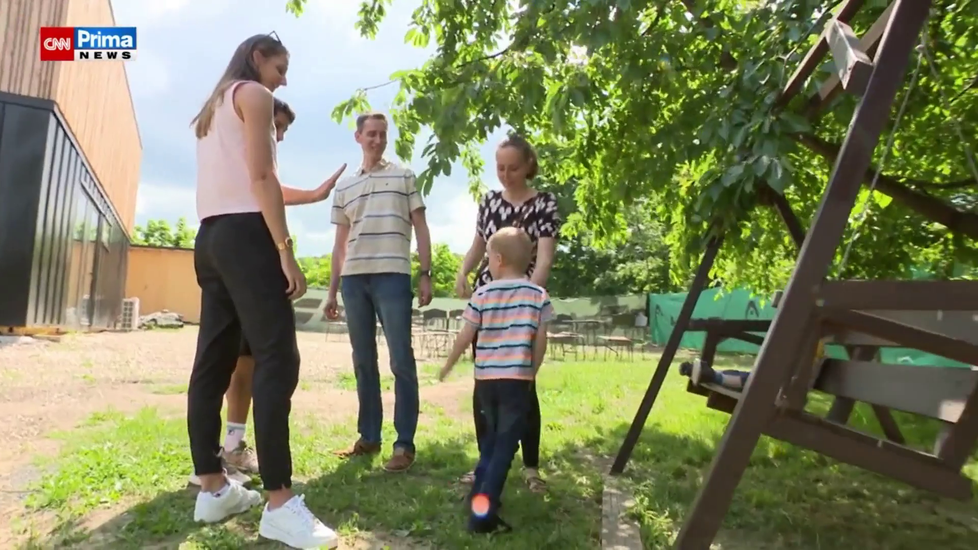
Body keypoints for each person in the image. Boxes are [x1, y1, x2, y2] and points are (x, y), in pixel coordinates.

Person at [188, 33, 339, 549]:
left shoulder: (214, 106)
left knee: (213, 359)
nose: (284, 79)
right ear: (258, 57)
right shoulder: (255, 95)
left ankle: (212, 487)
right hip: (247, 240)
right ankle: (279, 501)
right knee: (278, 359)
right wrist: (285, 249)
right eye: (281, 66)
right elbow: (261, 176)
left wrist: (313, 193)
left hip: (211, 238)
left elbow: (246, 181)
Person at [324, 112, 433, 473]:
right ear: (358, 137)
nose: (377, 140)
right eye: (371, 134)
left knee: (401, 360)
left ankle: (404, 444)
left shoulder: (404, 176)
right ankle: (369, 437)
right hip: (355, 280)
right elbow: (339, 244)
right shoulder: (345, 187)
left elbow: (420, 225)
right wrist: (332, 290)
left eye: (382, 134)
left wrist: (426, 273)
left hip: (393, 276)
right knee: (362, 361)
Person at [454, 134, 561, 493]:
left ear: (529, 165)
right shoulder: (488, 202)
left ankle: (531, 468)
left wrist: (527, 298)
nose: (505, 174)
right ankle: (485, 462)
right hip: (489, 305)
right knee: (483, 386)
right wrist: (463, 271)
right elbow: (478, 246)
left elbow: (544, 257)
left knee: (523, 386)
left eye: (513, 167)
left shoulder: (544, 204)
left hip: (523, 305)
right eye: (500, 167)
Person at [439, 227, 552, 533]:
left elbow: (466, 335)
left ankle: (479, 495)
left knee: (491, 442)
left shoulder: (482, 293)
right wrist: (532, 372)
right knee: (505, 445)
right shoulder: (538, 295)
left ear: (498, 259)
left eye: (487, 257)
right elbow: (540, 341)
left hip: (485, 381)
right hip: (516, 381)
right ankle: (482, 514)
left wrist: (449, 364)